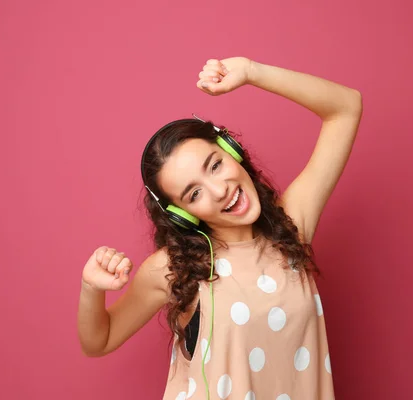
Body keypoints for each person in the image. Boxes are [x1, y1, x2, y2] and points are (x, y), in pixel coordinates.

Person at [77, 56, 363, 400]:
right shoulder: (174, 268)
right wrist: (91, 287)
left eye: (215, 165)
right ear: (182, 214)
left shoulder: (293, 227)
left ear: (233, 150)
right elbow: (99, 341)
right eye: (194, 193)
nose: (219, 190)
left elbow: (346, 107)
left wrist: (252, 72)